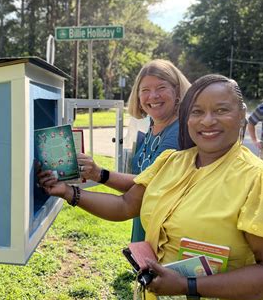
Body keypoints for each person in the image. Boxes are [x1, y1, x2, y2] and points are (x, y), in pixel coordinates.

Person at [39, 74, 263, 300]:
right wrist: (67, 192)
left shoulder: (262, 181)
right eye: (197, 112)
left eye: (221, 110)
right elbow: (125, 206)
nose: (208, 121)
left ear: (241, 116)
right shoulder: (171, 162)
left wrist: (187, 285)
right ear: (186, 118)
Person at [77, 59, 191, 242]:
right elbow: (140, 183)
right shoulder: (154, 125)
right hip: (145, 222)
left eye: (161, 87)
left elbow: (146, 186)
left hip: (164, 237)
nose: (153, 96)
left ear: (177, 91)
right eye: (145, 90)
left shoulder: (177, 134)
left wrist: (98, 173)